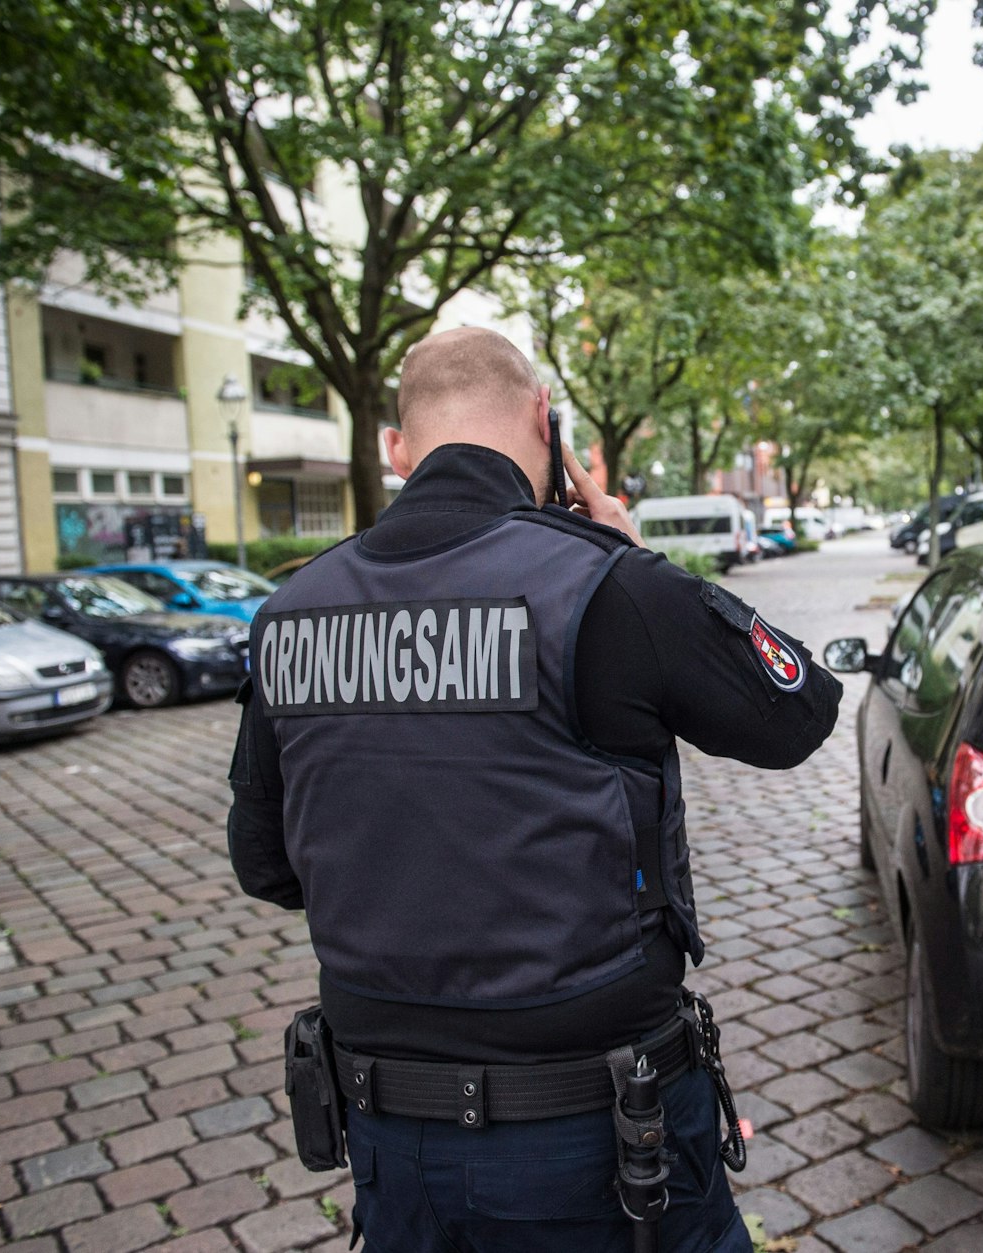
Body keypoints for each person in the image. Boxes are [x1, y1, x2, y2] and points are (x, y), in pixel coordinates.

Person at [227, 327, 842, 1253]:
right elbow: (799, 710)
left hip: (394, 1144)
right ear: (544, 423)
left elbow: (267, 864)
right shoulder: (604, 583)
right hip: (600, 1141)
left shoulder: (289, 614)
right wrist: (639, 561)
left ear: (396, 449)